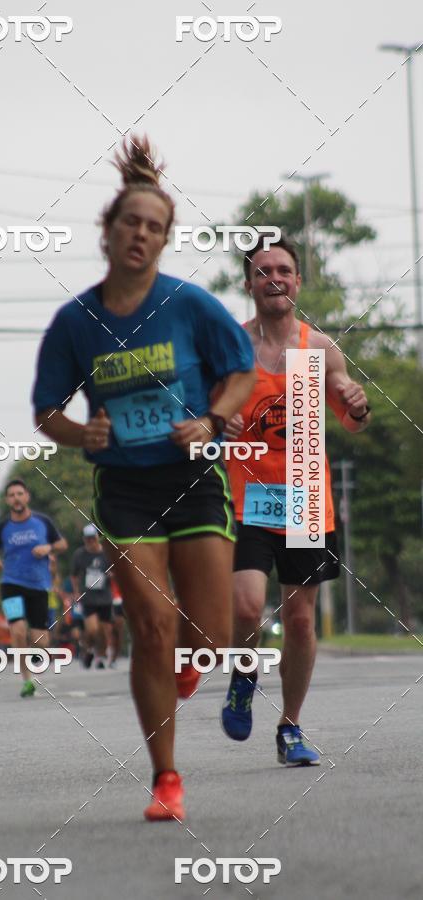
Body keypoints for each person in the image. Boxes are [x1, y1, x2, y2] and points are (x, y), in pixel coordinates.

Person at [33, 135, 255, 821]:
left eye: (155, 227)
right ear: (107, 232)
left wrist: (212, 420)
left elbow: (240, 370)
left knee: (210, 640)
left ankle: (191, 667)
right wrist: (82, 432)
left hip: (191, 478)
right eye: (131, 221)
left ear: (164, 242)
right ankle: (166, 779)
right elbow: (48, 410)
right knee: (153, 629)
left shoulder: (189, 306)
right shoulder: (76, 322)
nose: (142, 234)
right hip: (124, 488)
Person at [221, 232, 371, 765]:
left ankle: (290, 726)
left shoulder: (317, 349)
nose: (274, 279)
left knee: (301, 620)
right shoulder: (233, 348)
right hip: (248, 500)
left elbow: (352, 422)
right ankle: (242, 679)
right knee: (244, 606)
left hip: (306, 498)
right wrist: (220, 421)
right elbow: (204, 417)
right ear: (249, 283)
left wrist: (356, 403)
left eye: (283, 270)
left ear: (298, 280)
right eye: (263, 271)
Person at [0, 479, 68, 697]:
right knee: (17, 630)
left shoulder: (42, 522)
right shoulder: (2, 528)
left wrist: (48, 546)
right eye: (11, 495)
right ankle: (26, 680)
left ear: (26, 497)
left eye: (20, 493)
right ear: (7, 500)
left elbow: (62, 544)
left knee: (42, 641)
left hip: (38, 586)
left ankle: (36, 660)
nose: (16, 498)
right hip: (11, 584)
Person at [71, 524, 113, 670]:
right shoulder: (80, 554)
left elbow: (115, 571)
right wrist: (76, 592)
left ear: (97, 538)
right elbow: (74, 576)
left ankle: (100, 657)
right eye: (87, 539)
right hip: (88, 597)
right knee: (92, 629)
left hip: (105, 597)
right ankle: (88, 650)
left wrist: (111, 575)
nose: (90, 542)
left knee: (104, 631)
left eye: (93, 538)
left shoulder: (107, 553)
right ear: (84, 539)